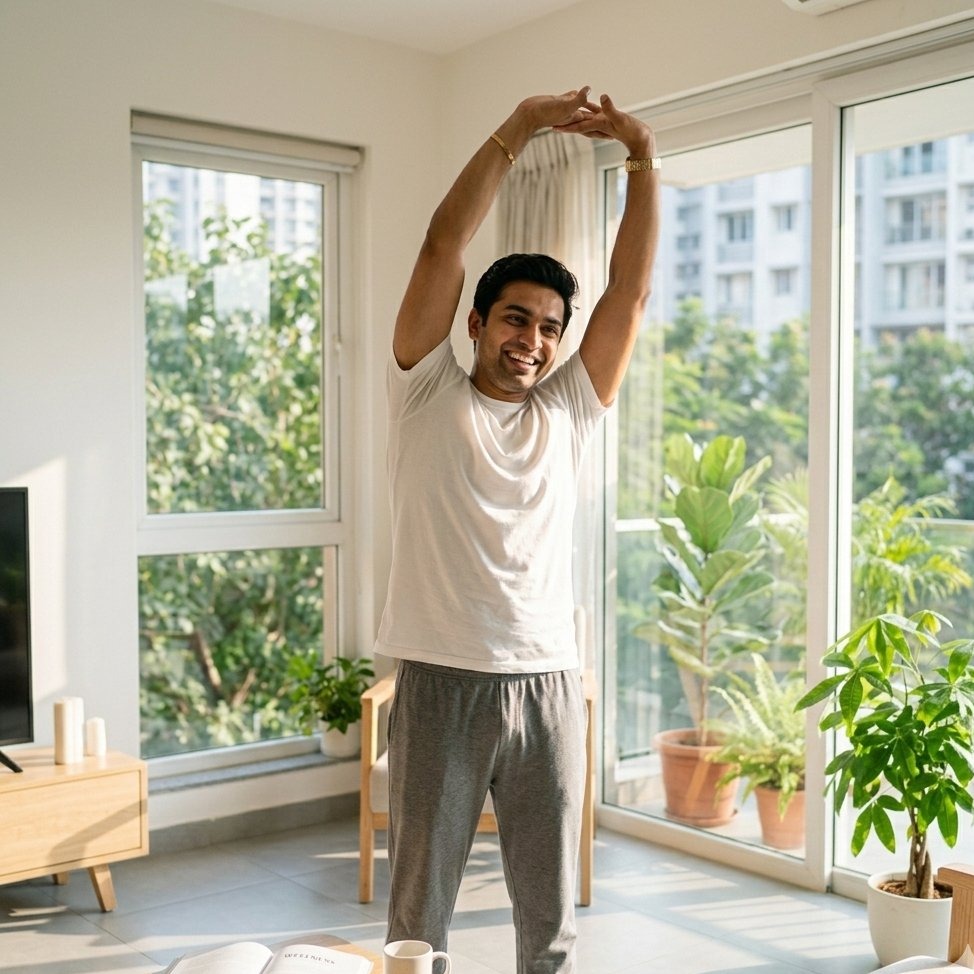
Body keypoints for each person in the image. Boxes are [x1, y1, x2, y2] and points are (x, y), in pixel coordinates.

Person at [374, 86, 660, 974]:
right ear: (475, 322)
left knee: (551, 918)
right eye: (514, 318)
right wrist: (520, 127)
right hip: (441, 680)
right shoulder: (426, 388)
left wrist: (642, 156)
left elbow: (630, 293)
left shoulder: (569, 409)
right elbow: (442, 244)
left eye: (548, 328)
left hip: (547, 683)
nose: (532, 340)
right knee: (419, 915)